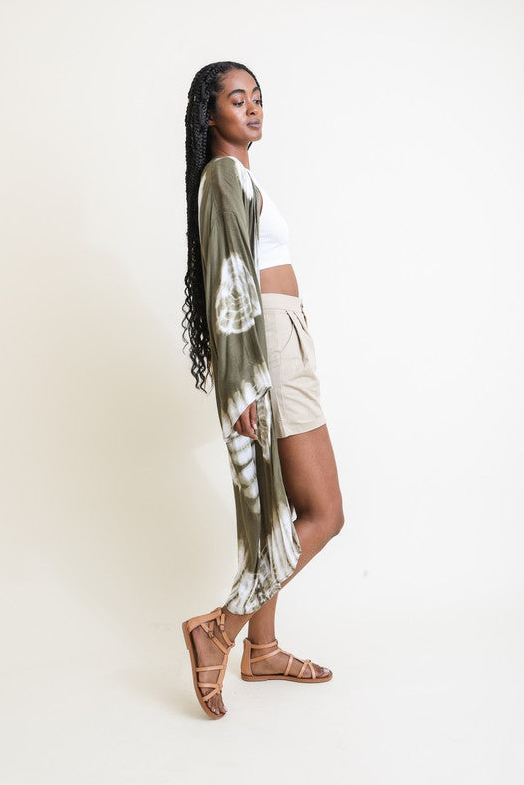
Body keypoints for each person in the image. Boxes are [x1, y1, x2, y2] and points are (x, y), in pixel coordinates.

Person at [181, 61, 345, 719]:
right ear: (209, 115)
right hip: (267, 345)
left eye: (256, 98)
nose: (252, 108)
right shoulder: (223, 175)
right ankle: (219, 628)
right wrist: (243, 383)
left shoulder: (240, 176)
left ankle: (262, 649)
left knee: (277, 511)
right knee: (324, 513)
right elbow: (228, 281)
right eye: (236, 99)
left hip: (281, 335)